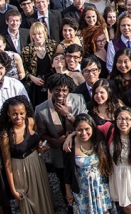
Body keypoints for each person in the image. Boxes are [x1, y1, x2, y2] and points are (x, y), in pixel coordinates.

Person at [34, 74, 88, 205]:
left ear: (69, 90)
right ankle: (69, 205)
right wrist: (54, 141)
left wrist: (68, 115)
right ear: (51, 89)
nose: (60, 93)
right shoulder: (41, 110)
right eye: (57, 89)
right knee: (64, 180)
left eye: (64, 90)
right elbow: (41, 133)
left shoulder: (78, 100)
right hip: (58, 151)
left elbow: (86, 124)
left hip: (80, 148)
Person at [0, 96, 54, 213]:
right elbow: (7, 162)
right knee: (28, 199)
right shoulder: (6, 135)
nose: (18, 117)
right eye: (14, 114)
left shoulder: (31, 122)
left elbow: (35, 139)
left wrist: (41, 146)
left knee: (42, 194)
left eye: (21, 113)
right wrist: (13, 189)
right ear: (8, 113)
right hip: (20, 167)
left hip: (37, 163)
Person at [63, 114, 113, 214]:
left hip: (101, 186)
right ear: (75, 130)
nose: (84, 133)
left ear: (92, 128)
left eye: (87, 129)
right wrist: (68, 193)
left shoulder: (99, 140)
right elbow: (67, 171)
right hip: (82, 189)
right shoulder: (69, 146)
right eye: (79, 130)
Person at [21, 22, 58, 106]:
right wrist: (32, 78)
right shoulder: (27, 50)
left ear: (45, 32)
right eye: (34, 34)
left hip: (51, 82)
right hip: (36, 84)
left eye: (39, 34)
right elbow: (23, 68)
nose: (37, 37)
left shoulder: (53, 45)